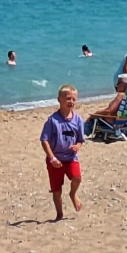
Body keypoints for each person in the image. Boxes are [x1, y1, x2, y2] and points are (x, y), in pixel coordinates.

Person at [40, 84, 84, 221]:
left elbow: (81, 139)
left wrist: (77, 146)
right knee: (56, 189)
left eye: (74, 99)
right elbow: (44, 140)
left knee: (77, 178)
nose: (71, 102)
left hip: (70, 158)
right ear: (59, 99)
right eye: (68, 99)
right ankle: (59, 214)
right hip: (55, 160)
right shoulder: (52, 120)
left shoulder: (78, 120)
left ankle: (73, 194)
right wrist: (52, 157)